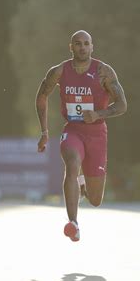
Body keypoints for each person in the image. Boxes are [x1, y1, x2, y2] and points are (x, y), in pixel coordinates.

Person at [35, 30, 127, 242]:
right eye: (78, 44)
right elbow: (41, 97)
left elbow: (122, 105)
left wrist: (98, 114)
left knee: (95, 199)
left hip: (97, 134)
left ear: (92, 47)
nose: (82, 47)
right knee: (72, 162)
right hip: (73, 130)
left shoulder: (104, 71)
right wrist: (44, 131)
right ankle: (73, 223)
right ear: (71, 47)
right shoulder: (59, 71)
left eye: (86, 43)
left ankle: (83, 185)